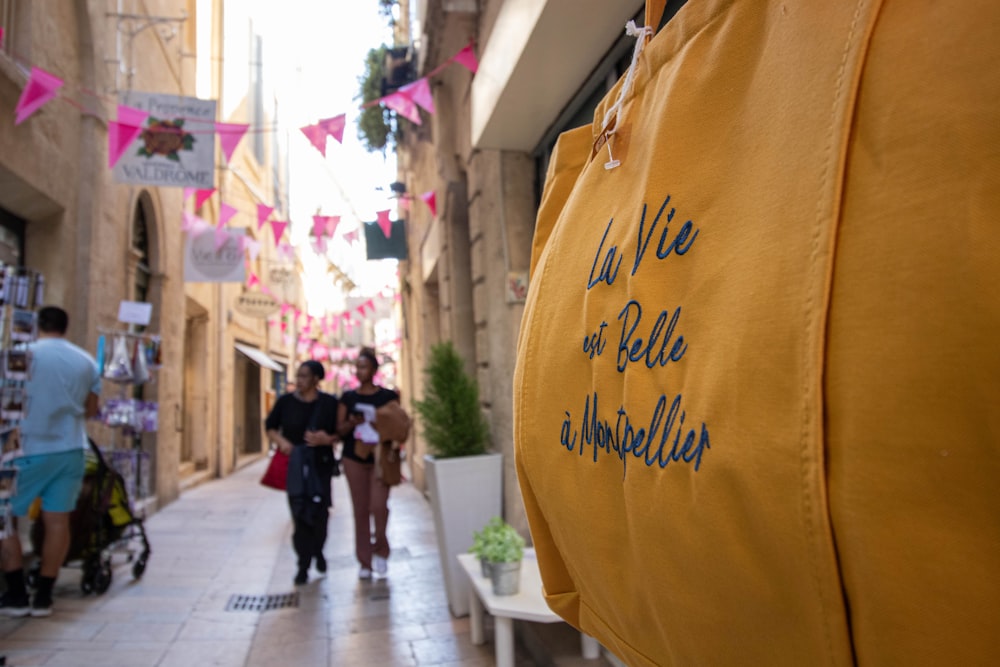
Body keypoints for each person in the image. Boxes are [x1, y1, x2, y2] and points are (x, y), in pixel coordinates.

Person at [0, 306, 100, 617]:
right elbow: (92, 409)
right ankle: (44, 596)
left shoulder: (20, 354)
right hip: (70, 449)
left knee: (5, 519)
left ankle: (16, 594)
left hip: (25, 449)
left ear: (37, 325)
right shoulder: (86, 361)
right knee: (57, 522)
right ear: (66, 326)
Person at [264, 360, 339, 585]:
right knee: (299, 514)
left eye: (304, 376)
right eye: (298, 376)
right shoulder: (286, 402)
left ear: (316, 379)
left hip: (321, 464)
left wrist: (327, 439)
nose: (299, 380)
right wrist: (282, 442)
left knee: (321, 514)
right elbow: (270, 426)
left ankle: (318, 550)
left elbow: (340, 432)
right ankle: (303, 565)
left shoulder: (328, 403)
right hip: (295, 466)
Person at [337, 348, 400, 580]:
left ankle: (381, 550)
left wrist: (381, 422)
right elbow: (339, 428)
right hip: (354, 457)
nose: (359, 371)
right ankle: (364, 561)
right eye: (357, 366)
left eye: (363, 366)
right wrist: (353, 422)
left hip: (380, 457)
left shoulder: (388, 397)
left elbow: (398, 424)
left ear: (373, 370)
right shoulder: (349, 398)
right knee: (360, 510)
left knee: (379, 506)